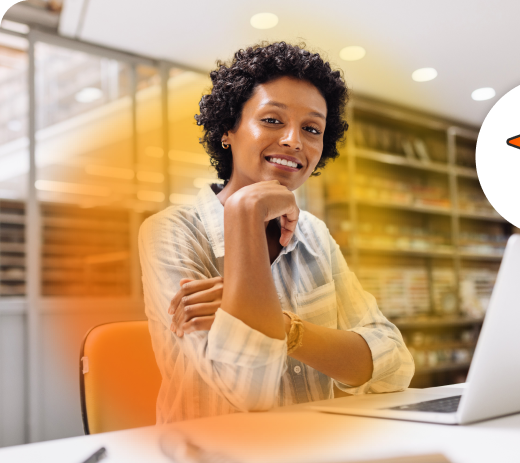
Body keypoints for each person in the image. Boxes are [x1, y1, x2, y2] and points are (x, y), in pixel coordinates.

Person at [139, 41, 414, 424]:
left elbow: (395, 364)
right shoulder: (171, 231)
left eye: (312, 128)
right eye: (272, 120)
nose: (293, 141)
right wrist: (245, 214)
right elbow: (248, 392)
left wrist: (282, 326)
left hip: (313, 451)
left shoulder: (313, 233)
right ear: (228, 130)